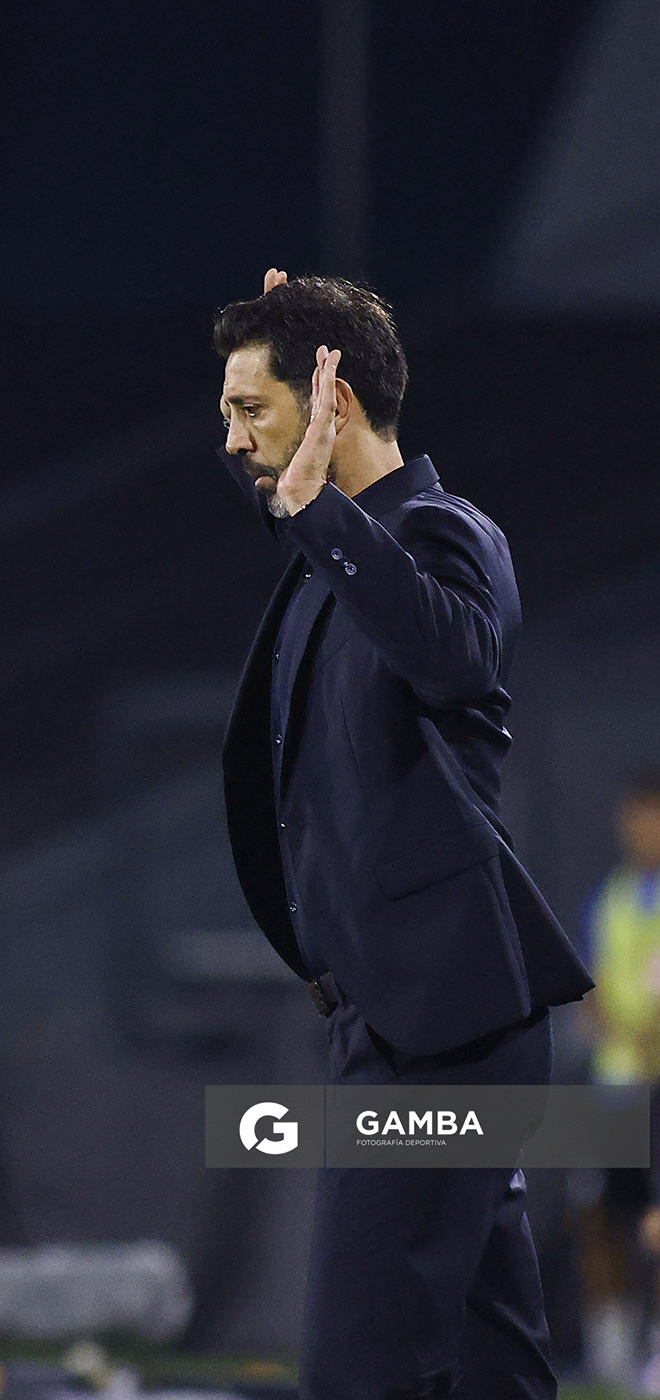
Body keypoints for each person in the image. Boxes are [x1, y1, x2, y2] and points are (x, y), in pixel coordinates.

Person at [212, 269, 594, 1399]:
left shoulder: (439, 530)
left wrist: (320, 495)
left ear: (331, 401)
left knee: (360, 1368)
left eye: (252, 408)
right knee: (487, 1363)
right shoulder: (337, 549)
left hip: (444, 1028)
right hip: (396, 1021)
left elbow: (456, 652)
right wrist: (301, 333)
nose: (231, 438)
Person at [576, 773, 660, 1389]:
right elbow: (592, 987)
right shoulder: (607, 898)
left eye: (652, 816)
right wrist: (597, 1013)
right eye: (634, 816)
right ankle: (609, 1350)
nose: (641, 829)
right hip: (615, 1085)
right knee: (597, 1213)